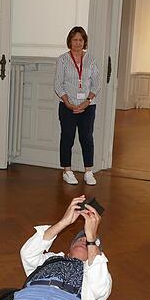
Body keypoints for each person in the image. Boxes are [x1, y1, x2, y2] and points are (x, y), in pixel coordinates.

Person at [55, 26, 101, 186]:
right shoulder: (62, 59)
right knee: (67, 138)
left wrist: (87, 101)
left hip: (87, 106)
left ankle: (88, 171)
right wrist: (68, 103)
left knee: (87, 138)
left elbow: (96, 83)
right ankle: (67, 170)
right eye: (75, 39)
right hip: (67, 106)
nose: (78, 43)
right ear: (70, 41)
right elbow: (58, 84)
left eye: (81, 40)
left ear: (84, 41)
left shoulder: (91, 59)